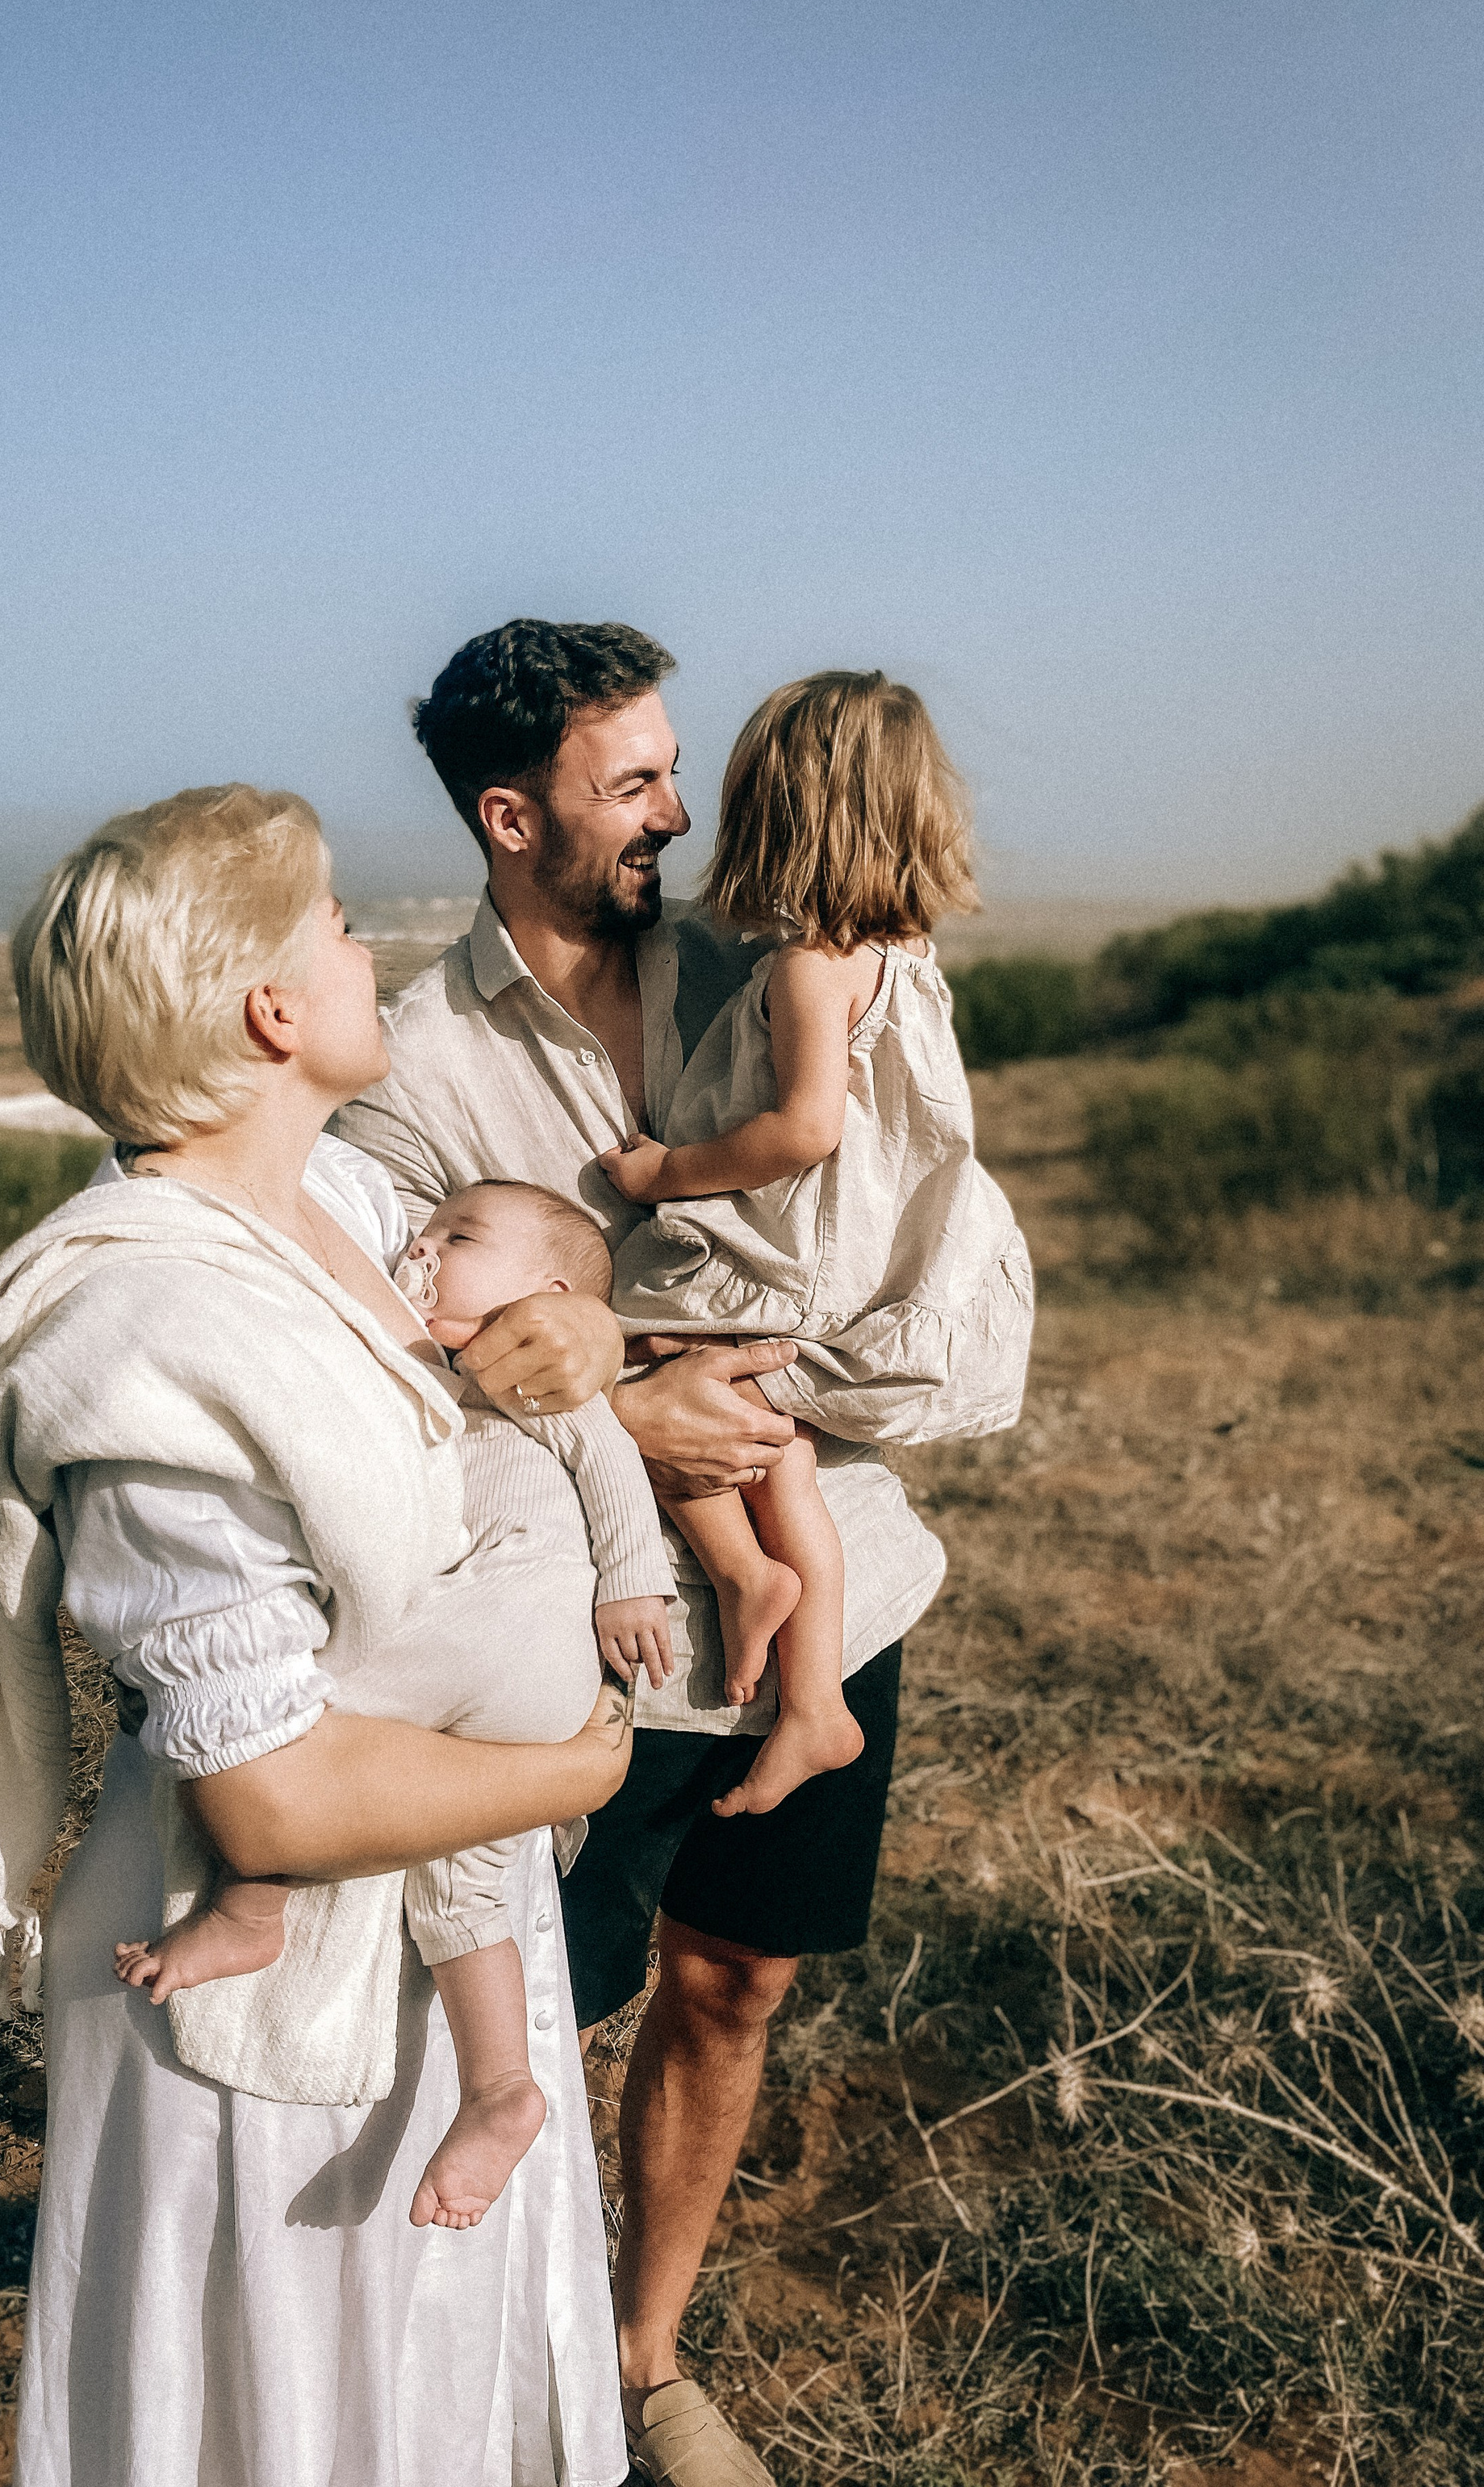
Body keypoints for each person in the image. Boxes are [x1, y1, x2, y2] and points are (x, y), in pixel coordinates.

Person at [0, 783, 637, 2487]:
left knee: (429, 2391)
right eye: (333, 924)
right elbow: (272, 1805)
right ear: (268, 1011)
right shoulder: (155, 1335)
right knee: (291, 2417)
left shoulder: (353, 1216)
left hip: (436, 1913)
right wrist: (571, 1763)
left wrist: (573, 1339)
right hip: (251, 1983)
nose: (367, 942)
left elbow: (512, 1303)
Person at [333, 621, 980, 2487]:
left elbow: (899, 1252)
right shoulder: (412, 1060)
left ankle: (637, 2361)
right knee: (517, 1997)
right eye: (632, 786)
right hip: (567, 1633)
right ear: (508, 814)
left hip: (824, 1570)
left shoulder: (774, 956)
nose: (677, 815)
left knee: (735, 1983)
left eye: (674, 771)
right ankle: (442, 2365)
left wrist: (725, 1366)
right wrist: (625, 1404)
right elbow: (394, 1358)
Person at [111, 1174, 678, 2234]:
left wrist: (633, 1579)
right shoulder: (420, 1360)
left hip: (508, 1618)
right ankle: (501, 2084)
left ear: (551, 1294)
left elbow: (607, 1458)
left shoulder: (525, 1372)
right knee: (460, 1889)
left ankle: (250, 1909)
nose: (425, 1248)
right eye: (420, 1234)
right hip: (516, 1683)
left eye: (457, 1236)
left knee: (273, 1717)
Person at [597, 671, 1030, 1820]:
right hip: (853, 1260)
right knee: (781, 1449)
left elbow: (803, 1127)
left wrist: (664, 1173)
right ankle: (812, 1699)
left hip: (788, 1255)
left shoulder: (803, 964)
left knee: (644, 1352)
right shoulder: (909, 951)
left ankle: (746, 1579)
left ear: (781, 815)